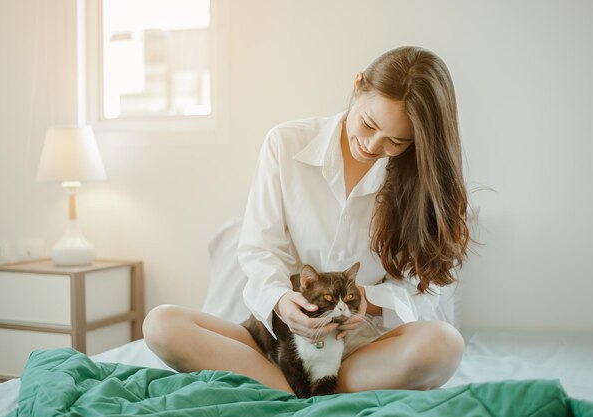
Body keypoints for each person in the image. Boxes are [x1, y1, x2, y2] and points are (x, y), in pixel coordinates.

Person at [143, 46, 469, 394]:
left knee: (444, 344)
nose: (373, 145)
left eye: (396, 141)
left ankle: (287, 391)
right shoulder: (285, 143)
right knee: (161, 324)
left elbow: (423, 291)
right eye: (369, 124)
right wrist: (284, 303)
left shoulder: (423, 186)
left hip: (364, 349)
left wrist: (363, 301)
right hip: (279, 344)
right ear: (357, 85)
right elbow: (260, 251)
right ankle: (305, 391)